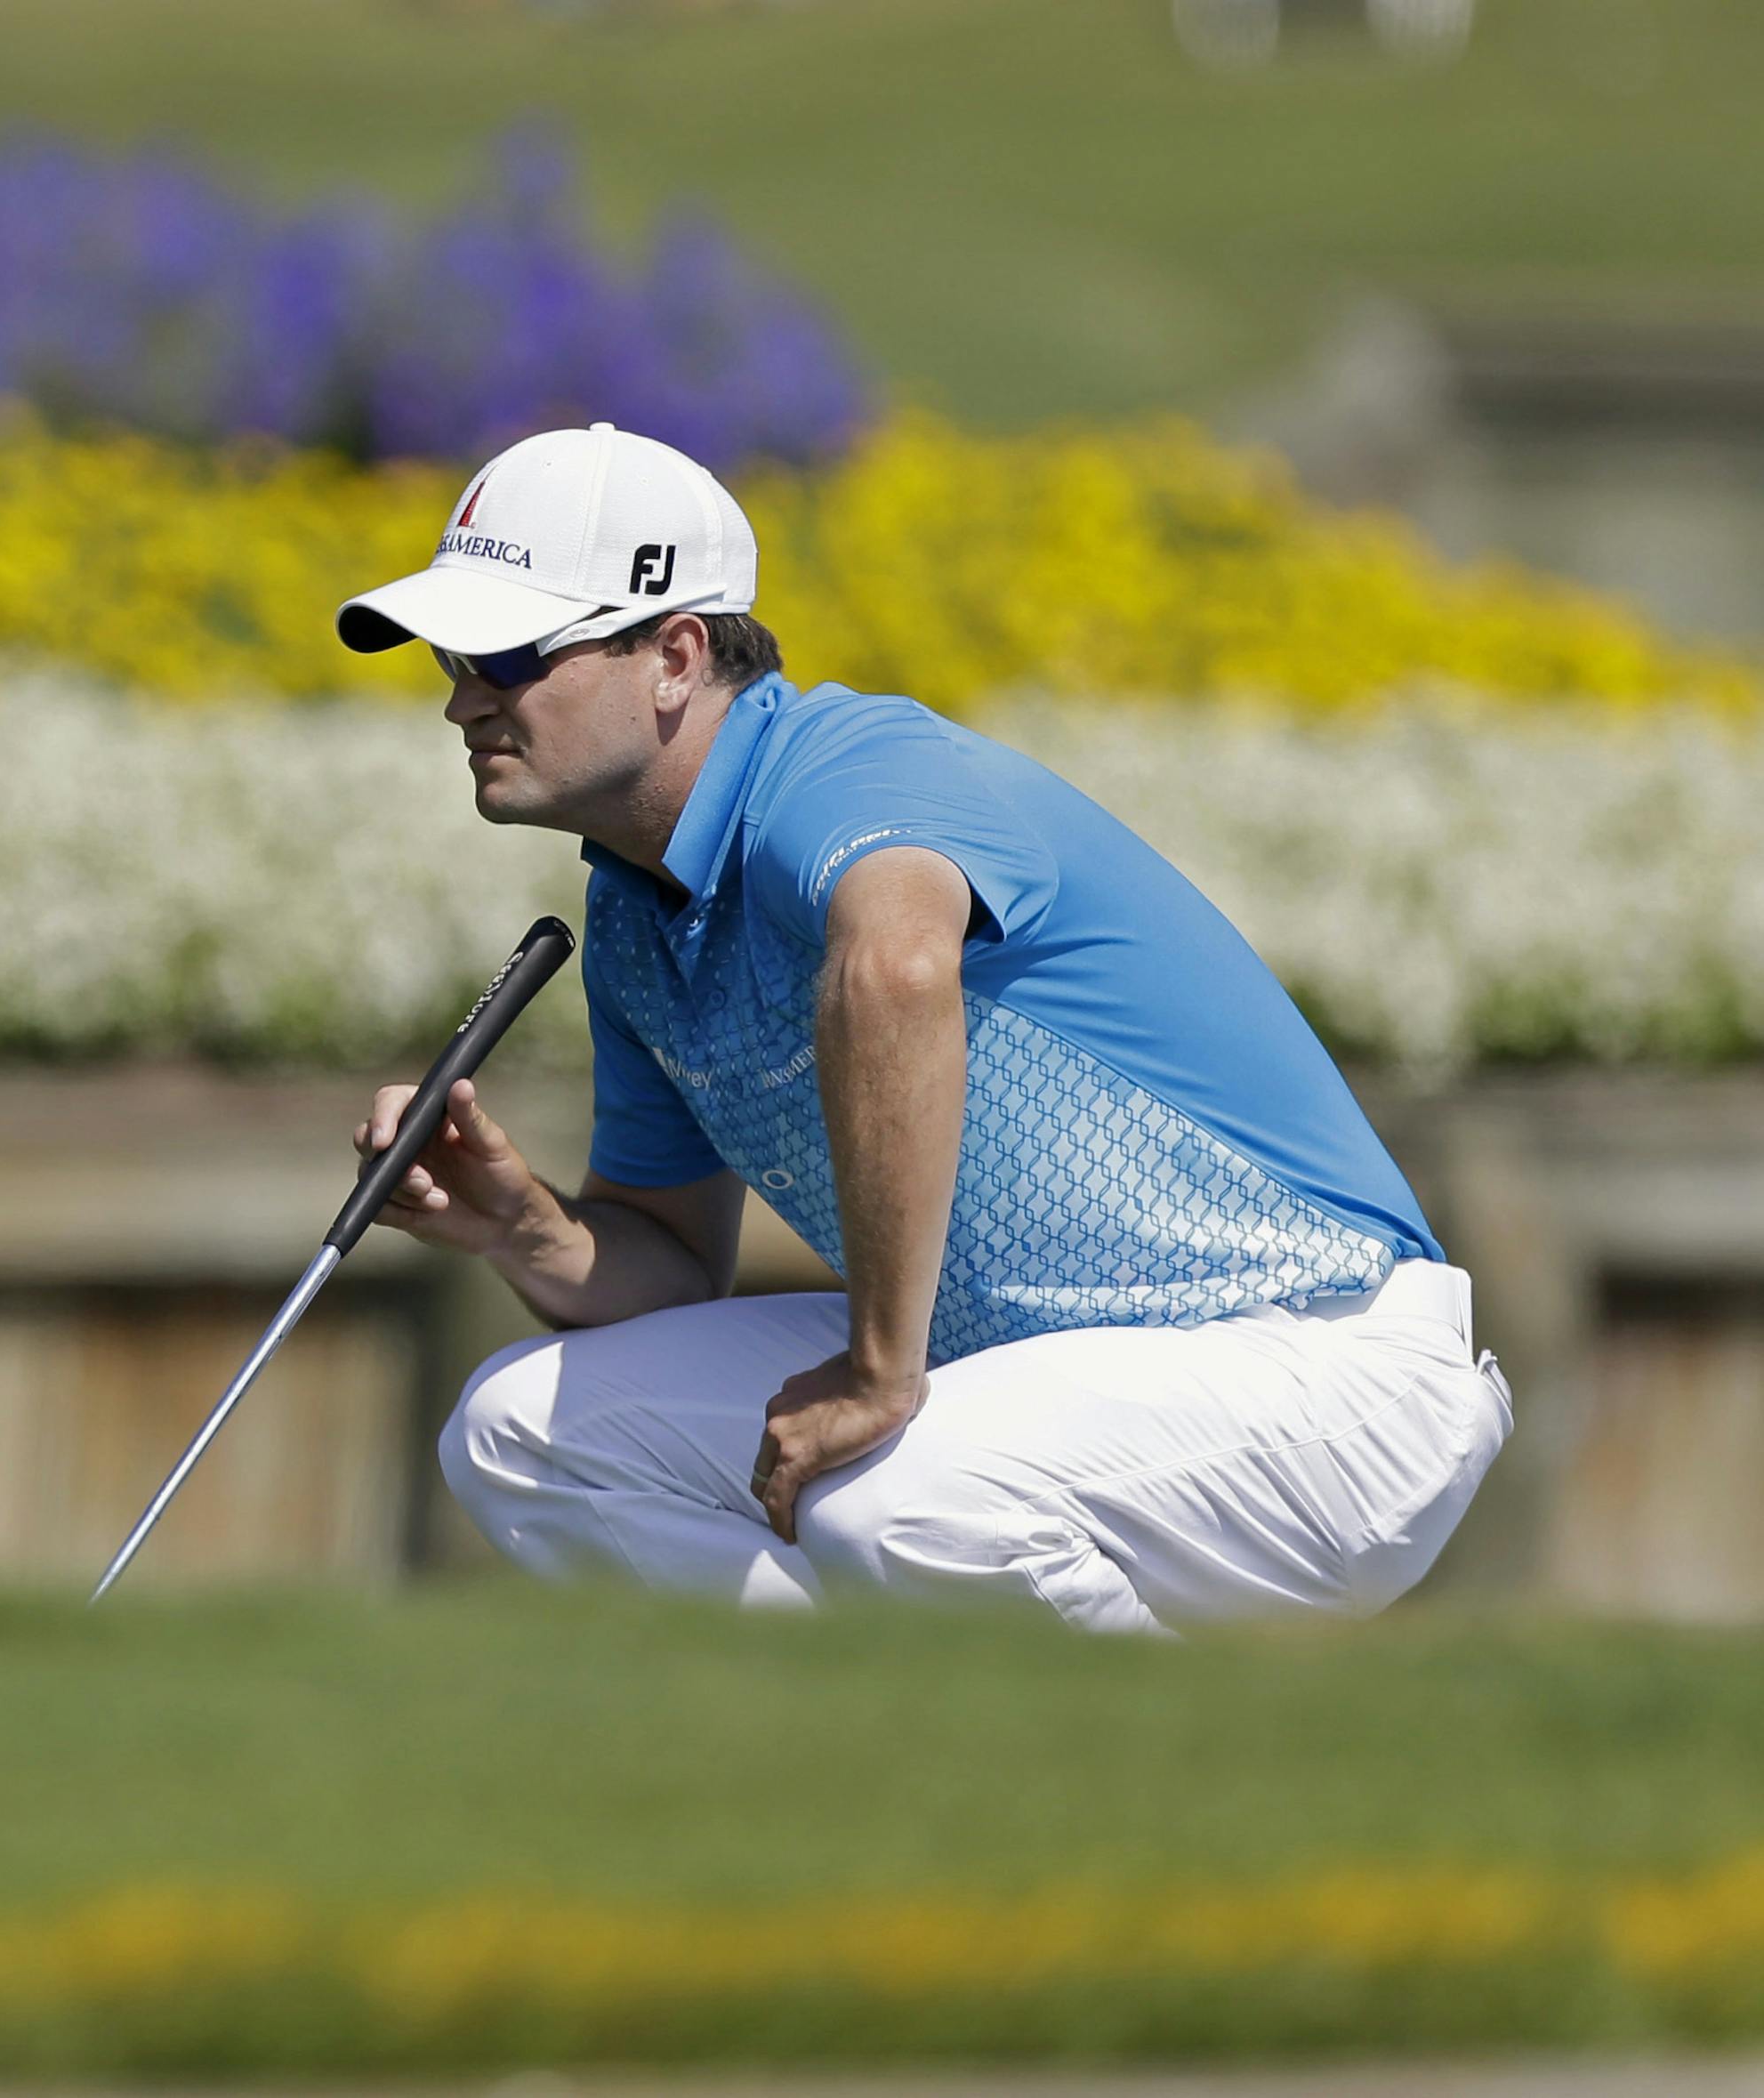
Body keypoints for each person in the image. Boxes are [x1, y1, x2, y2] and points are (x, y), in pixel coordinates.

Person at [338, 421, 1512, 1634]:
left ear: (676, 654)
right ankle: (875, 1774)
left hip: (1325, 1361)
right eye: (450, 657)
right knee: (517, 1435)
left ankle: (1180, 1796)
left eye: (509, 652)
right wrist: (523, 1226)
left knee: (889, 1502)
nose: (464, 697)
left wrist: (881, 1367)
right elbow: (674, 1265)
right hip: (1032, 1364)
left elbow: (897, 968)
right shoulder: (635, 911)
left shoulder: (843, 767)